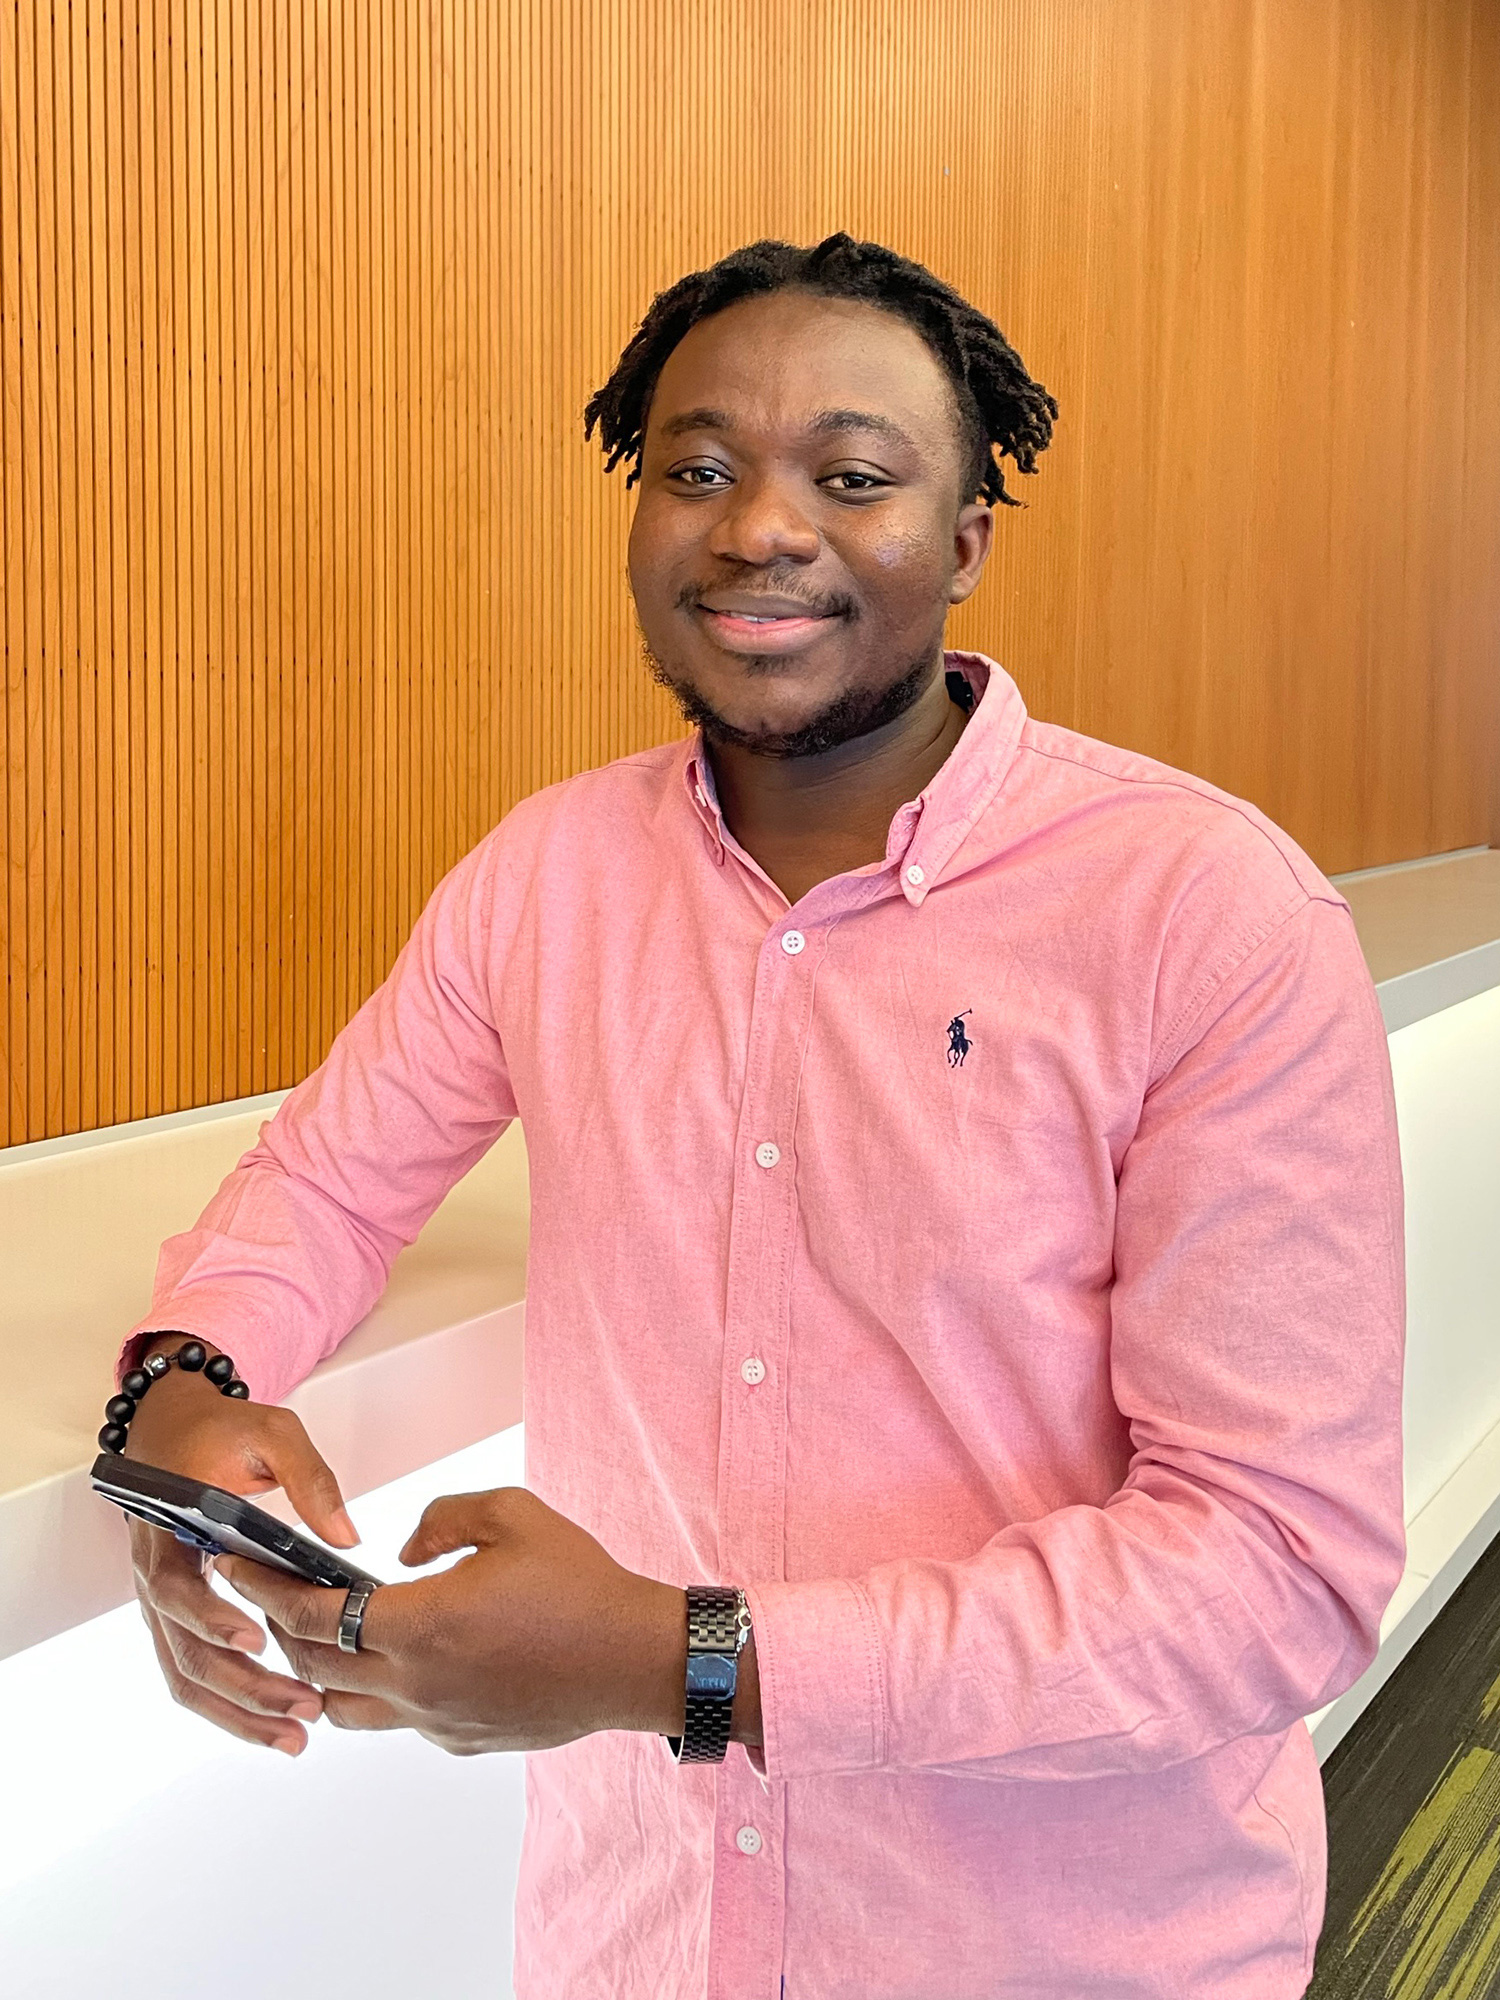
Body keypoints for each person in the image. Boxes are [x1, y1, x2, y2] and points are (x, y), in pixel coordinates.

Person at [118, 234, 1404, 1999]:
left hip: (1067, 1951)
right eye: (696, 470)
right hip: (635, 1937)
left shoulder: (1205, 912)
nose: (758, 528)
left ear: (963, 543)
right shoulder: (547, 874)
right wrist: (179, 1397)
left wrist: (685, 1665)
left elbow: (1275, 1573)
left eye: (851, 477)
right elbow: (327, 1185)